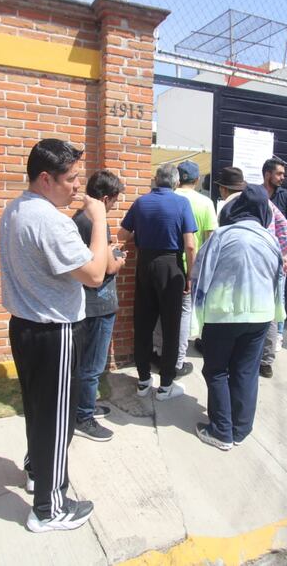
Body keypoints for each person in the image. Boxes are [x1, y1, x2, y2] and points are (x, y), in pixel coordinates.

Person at [0, 138, 108, 533]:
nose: (77, 186)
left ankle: (37, 470)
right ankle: (50, 507)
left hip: (25, 326)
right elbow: (95, 274)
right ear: (45, 179)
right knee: (59, 419)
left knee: (39, 408)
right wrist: (99, 220)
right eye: (71, 179)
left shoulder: (15, 209)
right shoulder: (50, 220)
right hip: (54, 330)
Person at [190, 185, 283, 451]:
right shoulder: (271, 239)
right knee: (246, 370)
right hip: (261, 315)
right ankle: (240, 429)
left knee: (217, 370)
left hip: (223, 314)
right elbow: (278, 277)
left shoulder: (222, 236)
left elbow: (199, 273)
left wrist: (197, 315)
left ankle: (221, 431)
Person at [119, 164, 197, 400]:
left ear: (155, 179)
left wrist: (143, 232)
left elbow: (123, 235)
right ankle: (165, 386)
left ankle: (143, 381)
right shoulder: (182, 203)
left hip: (145, 263)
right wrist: (190, 276)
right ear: (175, 182)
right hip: (171, 265)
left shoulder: (141, 202)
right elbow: (190, 245)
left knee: (143, 324)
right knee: (171, 327)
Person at [216, 166, 287, 378]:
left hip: (241, 264)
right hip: (267, 263)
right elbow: (286, 229)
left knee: (239, 308)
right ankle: (266, 361)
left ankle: (240, 355)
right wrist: (283, 254)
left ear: (224, 189)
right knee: (269, 309)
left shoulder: (228, 206)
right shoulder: (265, 201)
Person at [71, 170, 126, 442]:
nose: (115, 205)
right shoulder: (96, 223)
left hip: (85, 303)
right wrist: (118, 258)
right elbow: (105, 268)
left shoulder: (79, 218)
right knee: (92, 366)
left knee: (84, 363)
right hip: (97, 305)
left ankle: (85, 407)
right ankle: (83, 417)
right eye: (114, 200)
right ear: (105, 199)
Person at [152, 160, 217, 380]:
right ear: (197, 180)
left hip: (162, 262)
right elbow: (210, 241)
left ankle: (159, 352)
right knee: (183, 314)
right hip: (189, 266)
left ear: (177, 178)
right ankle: (177, 360)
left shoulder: (166, 197)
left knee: (160, 310)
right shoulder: (205, 203)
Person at [261, 158, 287, 372]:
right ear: (268, 174)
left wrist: (286, 254)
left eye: (283, 174)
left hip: (279, 256)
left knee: (279, 295)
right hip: (259, 255)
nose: (282, 177)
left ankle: (279, 335)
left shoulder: (286, 196)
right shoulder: (257, 193)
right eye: (279, 174)